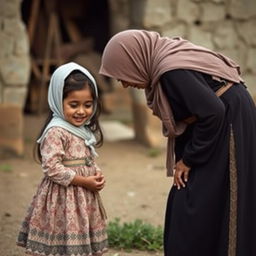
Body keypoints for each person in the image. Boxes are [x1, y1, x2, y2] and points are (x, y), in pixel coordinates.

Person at [99, 29, 256, 256]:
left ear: (134, 60)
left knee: (216, 197)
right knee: (194, 196)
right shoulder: (164, 64)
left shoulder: (170, 71)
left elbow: (213, 112)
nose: (124, 84)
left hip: (231, 122)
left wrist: (189, 159)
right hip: (220, 121)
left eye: (122, 75)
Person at [17, 62, 108, 256]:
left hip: (84, 196)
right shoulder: (56, 131)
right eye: (73, 105)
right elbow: (52, 168)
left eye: (88, 105)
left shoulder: (82, 129)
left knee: (80, 233)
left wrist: (96, 172)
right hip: (62, 197)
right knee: (63, 237)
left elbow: (85, 157)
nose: (81, 111)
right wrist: (85, 181)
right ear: (58, 101)